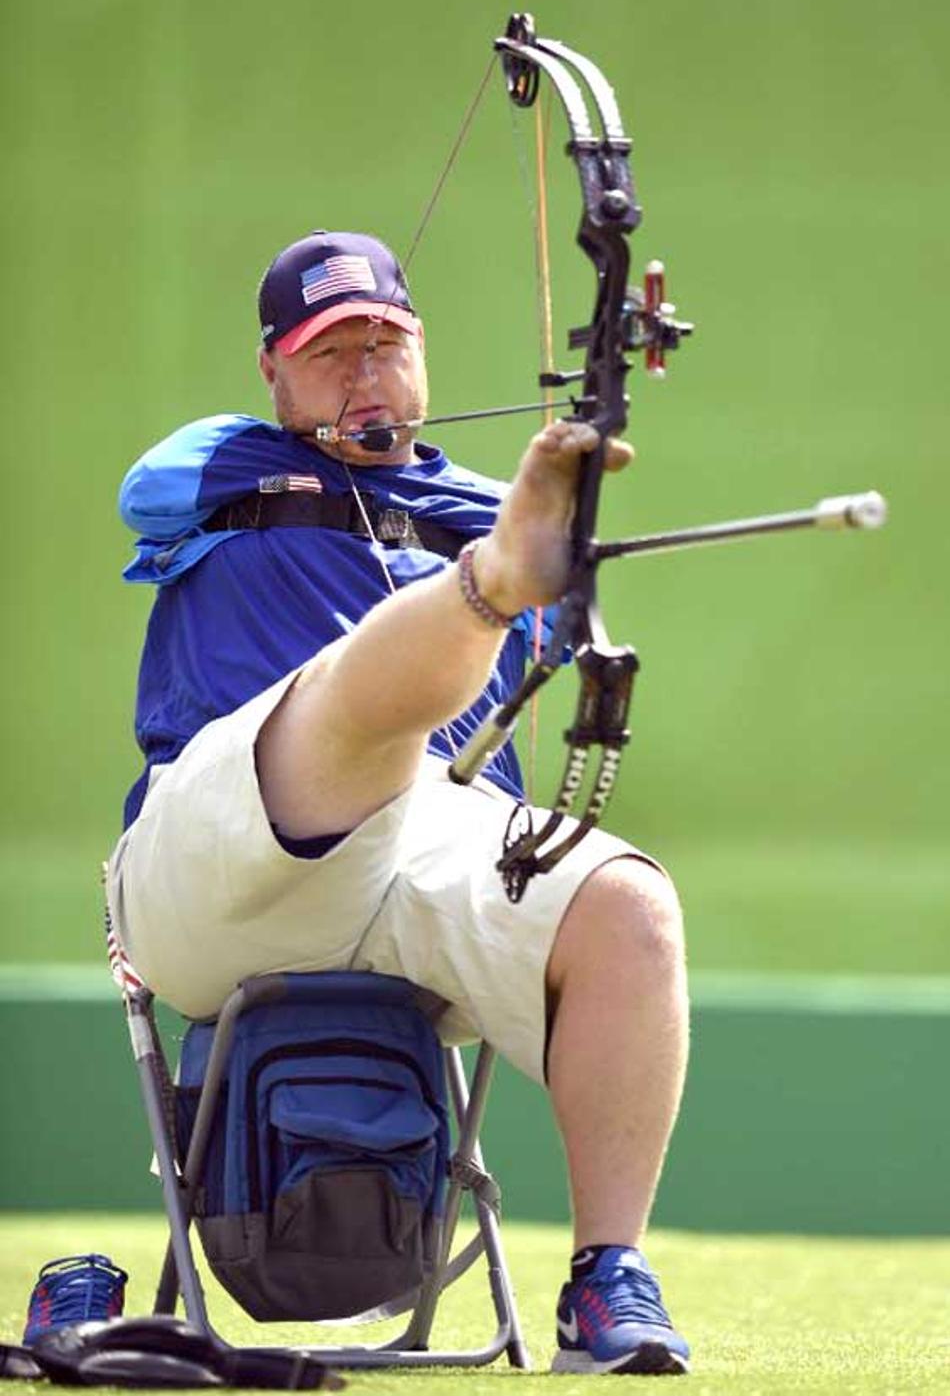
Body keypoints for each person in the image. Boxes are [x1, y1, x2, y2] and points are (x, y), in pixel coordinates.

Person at [108, 229, 691, 1377]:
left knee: (630, 907)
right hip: (216, 860)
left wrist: (538, 525)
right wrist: (491, 573)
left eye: (386, 344)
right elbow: (144, 488)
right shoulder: (217, 465)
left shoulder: (495, 506)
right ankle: (468, 603)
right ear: (273, 370)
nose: (364, 375)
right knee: (352, 714)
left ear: (421, 355)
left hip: (430, 857)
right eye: (329, 353)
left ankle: (605, 1277)